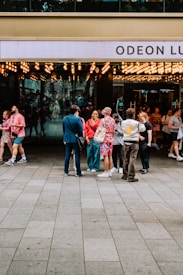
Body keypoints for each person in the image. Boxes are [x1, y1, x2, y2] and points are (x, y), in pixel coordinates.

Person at [121, 108, 145, 182]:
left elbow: (122, 129)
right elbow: (142, 129)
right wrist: (142, 122)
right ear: (133, 115)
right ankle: (131, 176)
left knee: (125, 158)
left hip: (126, 141)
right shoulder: (136, 123)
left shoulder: (123, 122)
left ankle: (125, 174)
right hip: (134, 142)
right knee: (132, 159)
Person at [62, 104, 84, 177]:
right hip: (75, 138)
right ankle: (78, 172)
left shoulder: (65, 118)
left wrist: (64, 138)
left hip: (67, 138)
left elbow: (64, 129)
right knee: (77, 155)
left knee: (67, 154)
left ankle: (66, 171)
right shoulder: (77, 119)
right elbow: (80, 130)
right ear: (76, 111)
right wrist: (80, 135)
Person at [97, 107, 116, 178]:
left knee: (105, 155)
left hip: (104, 139)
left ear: (105, 112)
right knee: (110, 155)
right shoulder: (113, 120)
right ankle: (110, 171)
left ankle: (106, 171)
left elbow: (99, 129)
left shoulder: (103, 120)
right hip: (111, 138)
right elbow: (114, 130)